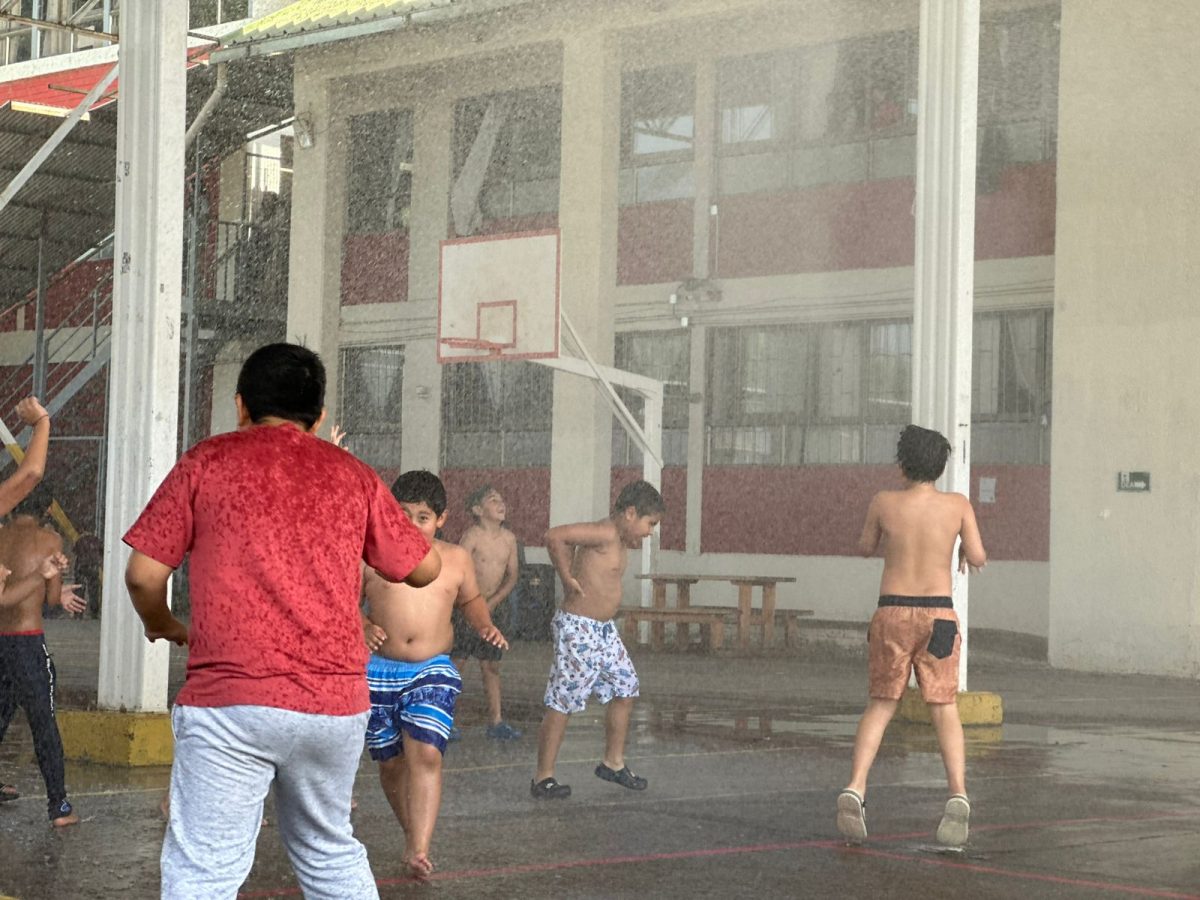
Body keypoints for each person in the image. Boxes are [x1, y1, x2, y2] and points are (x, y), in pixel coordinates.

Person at [123, 343, 440, 900]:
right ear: (317, 418)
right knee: (329, 852)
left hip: (231, 702)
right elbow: (423, 569)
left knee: (205, 873)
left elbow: (144, 577)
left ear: (240, 406)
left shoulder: (207, 461)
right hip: (333, 705)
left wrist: (164, 624)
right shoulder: (353, 475)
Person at [837, 424, 987, 847]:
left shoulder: (884, 501)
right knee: (943, 706)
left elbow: (865, 546)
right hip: (939, 616)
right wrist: (958, 548)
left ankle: (857, 786)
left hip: (892, 612)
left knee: (882, 704)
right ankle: (957, 792)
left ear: (902, 464)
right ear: (940, 467)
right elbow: (978, 556)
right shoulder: (957, 505)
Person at [361, 470, 508, 880]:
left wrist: (484, 626)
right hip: (378, 671)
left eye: (422, 517)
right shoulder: (370, 554)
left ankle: (420, 849)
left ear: (441, 520)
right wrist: (363, 626)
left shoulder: (456, 558)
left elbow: (473, 600)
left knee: (425, 752)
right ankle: (412, 832)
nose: (410, 525)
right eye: (402, 514)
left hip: (432, 669)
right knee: (390, 765)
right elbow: (343, 601)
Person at [531, 480, 664, 800]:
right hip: (578, 628)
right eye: (650, 524)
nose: (650, 533)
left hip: (604, 631)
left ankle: (612, 762)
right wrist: (566, 576)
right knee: (563, 700)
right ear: (630, 513)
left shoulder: (619, 539)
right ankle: (543, 776)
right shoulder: (604, 532)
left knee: (626, 687)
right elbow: (555, 536)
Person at [0, 480, 85, 828]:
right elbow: (49, 600)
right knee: (43, 723)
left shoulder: (1, 536)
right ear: (48, 510)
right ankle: (58, 805)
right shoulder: (50, 541)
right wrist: (54, 587)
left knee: (1, 713)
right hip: (26, 643)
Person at [450, 484, 521, 740]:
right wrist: (473, 603)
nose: (500, 503)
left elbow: (512, 576)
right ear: (478, 510)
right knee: (457, 663)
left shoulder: (509, 539)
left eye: (501, 499)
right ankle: (445, 719)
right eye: (493, 500)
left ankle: (497, 721)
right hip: (466, 607)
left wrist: (493, 603)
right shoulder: (472, 536)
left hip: (494, 608)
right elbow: (458, 567)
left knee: (491, 665)